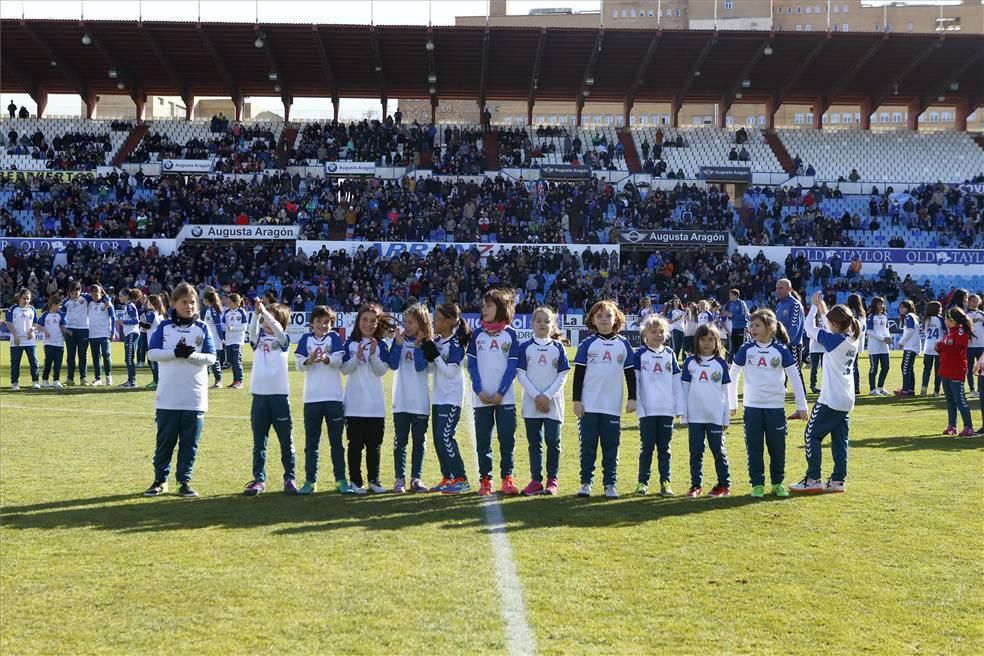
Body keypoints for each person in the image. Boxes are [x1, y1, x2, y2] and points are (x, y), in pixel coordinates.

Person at [143, 283, 217, 498]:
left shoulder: (202, 328)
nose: (189, 306)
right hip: (168, 398)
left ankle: (183, 482)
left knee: (189, 444)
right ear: (174, 303)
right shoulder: (164, 327)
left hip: (194, 397)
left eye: (192, 302)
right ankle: (160, 481)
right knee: (164, 443)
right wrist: (175, 353)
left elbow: (211, 358)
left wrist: (191, 355)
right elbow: (152, 354)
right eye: (184, 302)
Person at [729, 308, 809, 498]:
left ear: (770, 327)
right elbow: (732, 375)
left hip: (775, 408)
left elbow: (795, 377)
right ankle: (757, 484)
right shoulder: (746, 349)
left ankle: (777, 483)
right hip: (752, 408)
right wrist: (732, 404)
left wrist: (802, 405)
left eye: (757, 325)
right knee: (754, 448)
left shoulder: (780, 350)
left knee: (777, 448)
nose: (752, 328)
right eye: (751, 325)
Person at [790, 296, 861, 494]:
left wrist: (813, 307)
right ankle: (838, 481)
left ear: (836, 323)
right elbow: (833, 327)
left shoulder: (832, 340)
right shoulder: (853, 338)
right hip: (846, 399)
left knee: (812, 435)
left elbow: (807, 327)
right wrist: (824, 311)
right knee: (840, 441)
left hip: (830, 398)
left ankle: (813, 478)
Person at [573, 300, 636, 499]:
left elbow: (630, 375)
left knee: (611, 446)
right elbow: (579, 375)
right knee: (588, 445)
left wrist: (633, 398)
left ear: (616, 318)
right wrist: (576, 401)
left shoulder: (624, 345)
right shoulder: (587, 344)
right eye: (599, 316)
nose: (604, 320)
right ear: (592, 319)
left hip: (612, 406)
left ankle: (610, 483)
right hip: (589, 405)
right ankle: (586, 483)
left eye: (608, 316)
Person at [466, 288, 521, 497]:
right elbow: (471, 365)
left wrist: (501, 392)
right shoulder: (477, 334)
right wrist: (479, 390)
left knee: (507, 439)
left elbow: (512, 367)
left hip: (504, 398)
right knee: (483, 441)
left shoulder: (511, 335)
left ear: (502, 309)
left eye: (489, 305)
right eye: (483, 306)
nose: (484, 309)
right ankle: (485, 480)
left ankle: (507, 478)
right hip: (481, 399)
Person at [243, 301, 297, 496]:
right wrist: (256, 315)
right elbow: (251, 331)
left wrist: (265, 312)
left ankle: (290, 478)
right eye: (265, 319)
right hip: (259, 396)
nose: (268, 322)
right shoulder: (257, 340)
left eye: (272, 319)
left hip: (280, 397)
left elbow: (275, 326)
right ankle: (259, 480)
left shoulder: (284, 340)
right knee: (259, 442)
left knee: (285, 440)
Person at [294, 305, 349, 495]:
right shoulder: (305, 339)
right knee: (312, 443)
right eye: (319, 321)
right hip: (312, 399)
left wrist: (326, 359)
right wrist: (309, 361)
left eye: (326, 322)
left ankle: (341, 480)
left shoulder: (334, 338)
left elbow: (339, 361)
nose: (323, 325)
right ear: (312, 323)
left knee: (337, 442)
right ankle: (310, 481)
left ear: (331, 323)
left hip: (333, 398)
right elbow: (299, 365)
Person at [516, 306, 570, 496]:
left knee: (552, 441)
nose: (542, 324)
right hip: (531, 403)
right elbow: (520, 374)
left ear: (553, 324)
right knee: (534, 442)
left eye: (547, 321)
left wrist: (547, 396)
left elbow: (563, 375)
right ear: (532, 324)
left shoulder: (558, 348)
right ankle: (536, 480)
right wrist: (536, 396)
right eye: (538, 320)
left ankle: (552, 480)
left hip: (553, 404)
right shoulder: (525, 347)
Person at [420, 303, 472, 494]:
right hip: (439, 397)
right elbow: (434, 369)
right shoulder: (439, 341)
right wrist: (428, 352)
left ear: (450, 321)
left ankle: (461, 479)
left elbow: (450, 372)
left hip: (451, 397)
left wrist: (435, 356)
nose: (434, 322)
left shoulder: (456, 343)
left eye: (438, 319)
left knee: (445, 436)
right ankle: (448, 477)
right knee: (438, 439)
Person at [340, 304, 392, 495]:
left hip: (375, 406)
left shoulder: (381, 345)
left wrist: (372, 356)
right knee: (354, 446)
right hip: (354, 405)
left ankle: (374, 480)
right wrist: (357, 357)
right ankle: (355, 481)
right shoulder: (349, 344)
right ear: (358, 321)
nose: (368, 324)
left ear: (377, 323)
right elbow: (344, 370)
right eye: (365, 319)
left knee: (374, 446)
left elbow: (382, 371)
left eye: (372, 321)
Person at [633, 314, 683, 496]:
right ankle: (642, 482)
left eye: (661, 331)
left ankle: (665, 482)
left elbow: (677, 382)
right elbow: (636, 382)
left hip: (666, 410)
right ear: (645, 334)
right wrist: (640, 407)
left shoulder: (669, 354)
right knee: (646, 448)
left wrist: (678, 407)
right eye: (654, 332)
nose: (658, 335)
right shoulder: (639, 355)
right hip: (647, 410)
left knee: (665, 449)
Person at [681, 324, 732, 498]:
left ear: (717, 341)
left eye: (711, 339)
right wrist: (684, 414)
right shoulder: (690, 362)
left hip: (715, 415)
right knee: (696, 451)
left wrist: (726, 417)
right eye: (703, 339)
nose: (707, 343)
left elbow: (726, 391)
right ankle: (696, 485)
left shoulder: (721, 364)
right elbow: (685, 389)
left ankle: (724, 485)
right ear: (697, 341)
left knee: (718, 450)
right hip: (695, 416)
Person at [389, 304, 434, 494]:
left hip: (420, 402)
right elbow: (392, 364)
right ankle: (399, 479)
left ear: (421, 323)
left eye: (410, 322)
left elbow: (421, 368)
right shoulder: (398, 340)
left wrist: (417, 348)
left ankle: (416, 478)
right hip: (401, 400)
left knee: (418, 441)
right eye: (405, 321)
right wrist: (398, 345)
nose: (406, 326)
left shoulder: (427, 343)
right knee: (400, 441)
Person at [936, 308, 976, 437]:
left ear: (952, 320)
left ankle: (968, 427)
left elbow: (957, 350)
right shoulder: (950, 332)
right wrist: (939, 349)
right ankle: (952, 426)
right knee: (949, 400)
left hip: (956, 370)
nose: (945, 321)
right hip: (946, 368)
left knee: (960, 399)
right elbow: (948, 351)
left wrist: (942, 347)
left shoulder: (960, 332)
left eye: (947, 319)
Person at [5, 288, 41, 390]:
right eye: (24, 298)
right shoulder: (13, 309)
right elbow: (9, 324)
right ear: (19, 298)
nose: (26, 301)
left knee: (34, 361)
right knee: (15, 363)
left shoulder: (32, 309)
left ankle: (35, 382)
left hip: (30, 341)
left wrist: (32, 330)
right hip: (16, 341)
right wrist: (15, 336)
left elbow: (35, 323)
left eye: (28, 298)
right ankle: (15, 383)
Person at [774, 278, 805, 384]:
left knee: (795, 374)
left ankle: (802, 398)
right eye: (777, 288)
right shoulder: (779, 305)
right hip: (779, 345)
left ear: (790, 289)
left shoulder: (795, 305)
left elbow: (794, 328)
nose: (778, 290)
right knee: (779, 374)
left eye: (781, 288)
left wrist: (785, 343)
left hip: (792, 346)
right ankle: (779, 397)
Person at [61, 281, 90, 386]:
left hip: (83, 330)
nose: (74, 296)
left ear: (80, 291)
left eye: (77, 293)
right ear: (69, 292)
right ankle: (70, 379)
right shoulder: (66, 302)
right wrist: (64, 328)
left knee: (82, 355)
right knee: (70, 356)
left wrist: (107, 301)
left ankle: (83, 378)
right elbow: (60, 316)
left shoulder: (86, 298)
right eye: (73, 293)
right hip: (70, 331)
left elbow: (100, 296)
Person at [86, 285, 114, 387]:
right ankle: (98, 378)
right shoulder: (89, 302)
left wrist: (113, 332)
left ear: (101, 294)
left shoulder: (106, 303)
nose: (94, 296)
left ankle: (108, 377)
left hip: (104, 334)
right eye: (92, 294)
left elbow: (113, 317)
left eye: (96, 294)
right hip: (92, 334)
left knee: (106, 355)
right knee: (95, 357)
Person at [38, 295, 66, 389]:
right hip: (49, 343)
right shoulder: (45, 315)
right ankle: (45, 380)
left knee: (58, 363)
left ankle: (56, 380)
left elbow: (62, 326)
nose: (60, 307)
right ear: (53, 305)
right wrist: (45, 331)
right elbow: (38, 326)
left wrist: (67, 332)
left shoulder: (60, 315)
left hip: (59, 343)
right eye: (59, 305)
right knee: (48, 362)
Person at [117, 288, 143, 388]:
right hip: (129, 334)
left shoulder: (130, 306)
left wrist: (123, 322)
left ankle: (132, 381)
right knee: (128, 359)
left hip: (132, 333)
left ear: (126, 296)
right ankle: (130, 380)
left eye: (120, 295)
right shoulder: (127, 306)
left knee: (129, 358)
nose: (119, 297)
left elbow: (136, 320)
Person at [866, 297, 892, 396]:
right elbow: (869, 331)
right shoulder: (871, 317)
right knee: (874, 368)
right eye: (879, 304)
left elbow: (887, 329)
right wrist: (882, 338)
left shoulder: (884, 316)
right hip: (874, 347)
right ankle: (872, 389)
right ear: (875, 305)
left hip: (884, 347)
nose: (882, 306)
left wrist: (888, 337)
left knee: (886, 367)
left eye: (882, 304)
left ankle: (880, 387)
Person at [222, 293, 248, 389]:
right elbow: (223, 325)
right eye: (227, 301)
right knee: (232, 362)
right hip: (228, 340)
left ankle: (239, 381)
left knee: (237, 361)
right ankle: (235, 380)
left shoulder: (242, 312)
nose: (228, 303)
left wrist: (233, 328)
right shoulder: (226, 312)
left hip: (237, 340)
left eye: (230, 302)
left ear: (236, 302)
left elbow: (244, 327)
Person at [894, 300, 920, 397]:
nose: (901, 309)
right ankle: (910, 390)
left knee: (905, 368)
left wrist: (901, 342)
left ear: (908, 308)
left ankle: (905, 390)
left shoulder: (908, 316)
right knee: (909, 368)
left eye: (903, 307)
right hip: (913, 346)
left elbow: (910, 330)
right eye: (900, 307)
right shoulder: (914, 317)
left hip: (910, 346)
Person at [921, 301, 945, 397]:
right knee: (938, 371)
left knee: (926, 370)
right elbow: (945, 331)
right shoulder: (941, 319)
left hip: (928, 346)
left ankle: (924, 388)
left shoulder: (926, 319)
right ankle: (936, 391)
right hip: (938, 346)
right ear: (938, 309)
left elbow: (925, 331)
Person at [202, 289, 224, 389]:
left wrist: (221, 338)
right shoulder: (209, 309)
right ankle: (205, 380)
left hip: (214, 339)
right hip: (208, 339)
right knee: (206, 360)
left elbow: (218, 325)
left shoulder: (213, 310)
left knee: (214, 360)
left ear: (206, 300)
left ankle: (218, 381)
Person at [143, 294, 165, 389]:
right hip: (160, 341)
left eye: (148, 301)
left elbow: (148, 326)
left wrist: (139, 323)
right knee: (158, 362)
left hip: (153, 341)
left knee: (152, 360)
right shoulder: (160, 314)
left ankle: (156, 381)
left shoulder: (151, 313)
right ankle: (159, 380)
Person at [846, 294, 866, 396]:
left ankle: (852, 387)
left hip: (850, 341)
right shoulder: (862, 313)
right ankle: (856, 387)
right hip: (858, 342)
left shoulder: (851, 313)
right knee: (855, 365)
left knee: (850, 365)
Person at [966, 295, 984, 399]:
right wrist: (972, 322)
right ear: (968, 302)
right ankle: (972, 389)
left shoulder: (982, 314)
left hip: (981, 344)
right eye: (973, 301)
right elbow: (962, 328)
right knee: (969, 367)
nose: (975, 303)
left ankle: (980, 389)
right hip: (970, 345)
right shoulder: (965, 314)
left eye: (977, 301)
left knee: (981, 368)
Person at [725, 289, 749, 361]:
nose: (729, 297)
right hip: (734, 327)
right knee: (734, 347)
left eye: (731, 295)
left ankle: (744, 361)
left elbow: (744, 315)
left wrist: (732, 315)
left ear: (736, 295)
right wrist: (728, 315)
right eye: (729, 295)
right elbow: (731, 317)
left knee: (741, 346)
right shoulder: (731, 304)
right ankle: (735, 362)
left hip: (742, 327)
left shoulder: (741, 303)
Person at [808, 309, 827, 395]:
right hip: (814, 347)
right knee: (814, 368)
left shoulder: (826, 319)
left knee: (825, 368)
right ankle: (813, 386)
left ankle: (825, 386)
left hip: (824, 347)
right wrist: (817, 336)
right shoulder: (812, 319)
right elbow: (809, 333)